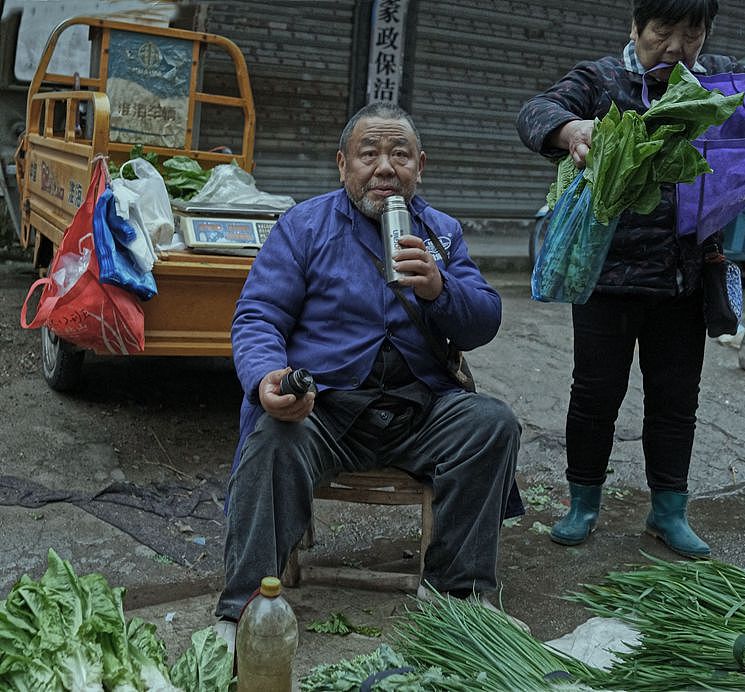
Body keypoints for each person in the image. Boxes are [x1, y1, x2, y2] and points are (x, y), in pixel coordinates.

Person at [215, 101, 525, 641]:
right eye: (369, 154)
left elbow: (485, 318)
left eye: (399, 154)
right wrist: (267, 377)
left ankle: (459, 596)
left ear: (419, 166)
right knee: (271, 436)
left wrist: (439, 288)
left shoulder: (441, 233)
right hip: (327, 413)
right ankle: (243, 610)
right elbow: (258, 314)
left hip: (420, 411)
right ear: (342, 165)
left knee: (491, 423)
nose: (385, 168)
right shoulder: (304, 226)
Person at [516, 0, 745, 558]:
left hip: (685, 276)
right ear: (636, 28)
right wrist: (570, 128)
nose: (675, 48)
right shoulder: (600, 79)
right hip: (606, 275)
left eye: (689, 35)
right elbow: (535, 112)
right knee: (595, 396)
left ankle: (668, 511)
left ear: (706, 35)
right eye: (662, 32)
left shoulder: (716, 78)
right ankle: (583, 502)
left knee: (676, 401)